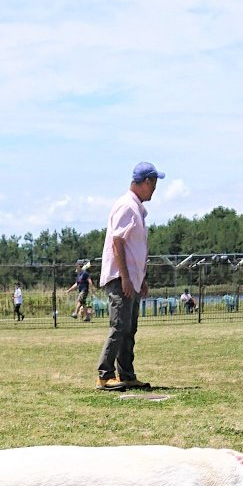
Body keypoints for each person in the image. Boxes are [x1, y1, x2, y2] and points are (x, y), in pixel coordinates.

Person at [96, 161, 164, 391]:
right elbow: (117, 243)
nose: (155, 189)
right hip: (120, 278)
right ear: (147, 182)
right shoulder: (126, 205)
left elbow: (135, 248)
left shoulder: (135, 208)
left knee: (129, 328)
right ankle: (105, 375)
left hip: (131, 279)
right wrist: (125, 277)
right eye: (154, 183)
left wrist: (140, 278)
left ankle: (126, 373)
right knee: (119, 326)